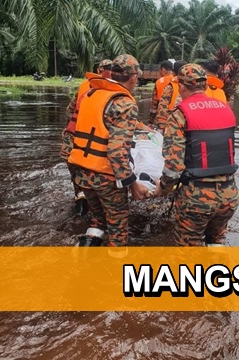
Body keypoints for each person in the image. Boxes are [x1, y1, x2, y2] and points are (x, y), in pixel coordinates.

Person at [153, 64, 239, 247]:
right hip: (229, 195)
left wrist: (162, 189)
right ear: (206, 86)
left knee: (189, 254)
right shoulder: (226, 110)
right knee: (216, 242)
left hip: (196, 199)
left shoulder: (180, 115)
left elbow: (173, 168)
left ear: (182, 87)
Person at [68, 54, 150, 247]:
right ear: (134, 77)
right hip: (106, 178)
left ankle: (83, 261)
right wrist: (132, 184)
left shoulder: (91, 94)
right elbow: (116, 151)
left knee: (98, 219)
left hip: (82, 172)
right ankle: (113, 271)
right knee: (118, 231)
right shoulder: (125, 103)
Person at [60, 59, 113, 216]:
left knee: (76, 171)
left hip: (74, 139)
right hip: (90, 143)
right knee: (93, 174)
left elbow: (70, 111)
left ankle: (80, 199)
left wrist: (69, 129)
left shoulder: (84, 86)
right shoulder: (112, 91)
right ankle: (92, 204)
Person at [154, 60, 186, 132]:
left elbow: (161, 108)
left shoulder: (169, 86)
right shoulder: (194, 87)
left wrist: (161, 127)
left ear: (174, 72)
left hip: (171, 123)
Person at [149, 60, 174, 126]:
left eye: (159, 70)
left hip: (162, 118)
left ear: (163, 69)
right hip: (175, 118)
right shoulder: (177, 80)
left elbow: (154, 104)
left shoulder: (159, 82)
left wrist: (150, 121)